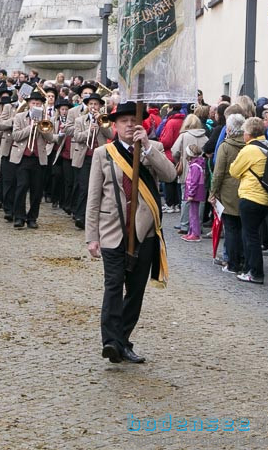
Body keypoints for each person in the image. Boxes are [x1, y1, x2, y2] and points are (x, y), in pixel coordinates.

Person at [85, 101, 177, 363]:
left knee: (135, 291)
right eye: (123, 121)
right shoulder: (104, 153)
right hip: (112, 231)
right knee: (113, 287)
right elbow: (93, 197)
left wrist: (147, 148)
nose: (128, 125)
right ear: (114, 125)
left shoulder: (153, 148)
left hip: (144, 233)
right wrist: (92, 236)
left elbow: (170, 175)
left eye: (133, 121)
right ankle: (111, 342)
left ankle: (123, 338)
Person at [228, 117, 268, 284]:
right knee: (254, 235)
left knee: (250, 236)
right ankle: (251, 269)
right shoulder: (267, 146)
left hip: (251, 196)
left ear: (249, 134)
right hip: (266, 198)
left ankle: (254, 271)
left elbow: (234, 170)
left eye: (245, 132)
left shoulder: (249, 150)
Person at [9, 91, 56, 228]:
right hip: (22, 157)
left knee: (37, 190)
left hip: (39, 158)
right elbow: (15, 136)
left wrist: (41, 127)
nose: (36, 105)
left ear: (42, 105)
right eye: (33, 103)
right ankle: (19, 217)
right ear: (28, 104)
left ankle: (32, 218)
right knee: (21, 186)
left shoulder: (46, 119)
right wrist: (30, 128)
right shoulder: (19, 117)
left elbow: (50, 138)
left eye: (38, 103)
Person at [210, 113, 246, 274]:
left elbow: (218, 173)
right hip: (245, 190)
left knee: (231, 228)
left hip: (228, 192)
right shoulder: (249, 145)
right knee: (244, 228)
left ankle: (232, 262)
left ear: (229, 129)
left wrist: (213, 192)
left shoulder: (225, 146)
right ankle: (243, 259)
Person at [181, 145, 207, 242]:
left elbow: (194, 182)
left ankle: (195, 234)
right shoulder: (197, 164)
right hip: (196, 193)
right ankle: (191, 232)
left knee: (193, 214)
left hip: (194, 193)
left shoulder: (195, 166)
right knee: (192, 213)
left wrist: (191, 194)